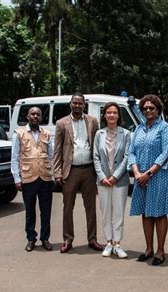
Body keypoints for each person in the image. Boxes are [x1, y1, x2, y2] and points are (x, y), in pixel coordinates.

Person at [129, 94, 168, 266]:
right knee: (145, 212)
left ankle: (160, 251)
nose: (148, 110)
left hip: (158, 176)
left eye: (152, 108)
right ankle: (148, 248)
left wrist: (148, 173)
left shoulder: (164, 128)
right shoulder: (139, 129)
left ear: (158, 110)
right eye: (145, 108)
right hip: (140, 175)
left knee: (158, 213)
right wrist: (136, 172)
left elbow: (166, 153)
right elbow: (131, 151)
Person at [53, 93, 103, 253]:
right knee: (68, 207)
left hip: (89, 169)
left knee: (91, 207)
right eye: (75, 103)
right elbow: (57, 151)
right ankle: (68, 239)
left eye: (80, 103)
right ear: (70, 104)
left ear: (84, 105)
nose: (77, 106)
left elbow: (98, 145)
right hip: (70, 170)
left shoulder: (92, 121)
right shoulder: (61, 123)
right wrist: (57, 172)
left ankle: (92, 238)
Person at [11, 107, 54, 252]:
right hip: (28, 177)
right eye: (33, 114)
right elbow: (15, 157)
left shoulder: (46, 134)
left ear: (41, 117)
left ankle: (45, 238)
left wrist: (54, 174)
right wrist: (17, 178)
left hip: (45, 177)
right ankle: (31, 238)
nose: (35, 116)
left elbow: (51, 156)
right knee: (30, 210)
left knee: (46, 210)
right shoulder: (19, 134)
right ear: (27, 116)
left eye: (38, 114)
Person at [93, 102, 132, 258]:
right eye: (109, 112)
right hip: (103, 181)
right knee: (105, 212)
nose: (111, 115)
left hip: (119, 180)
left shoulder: (126, 134)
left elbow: (127, 157)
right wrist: (103, 177)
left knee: (118, 213)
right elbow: (95, 157)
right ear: (104, 115)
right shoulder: (99, 134)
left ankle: (117, 244)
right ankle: (108, 242)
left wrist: (115, 176)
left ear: (118, 116)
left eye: (114, 112)